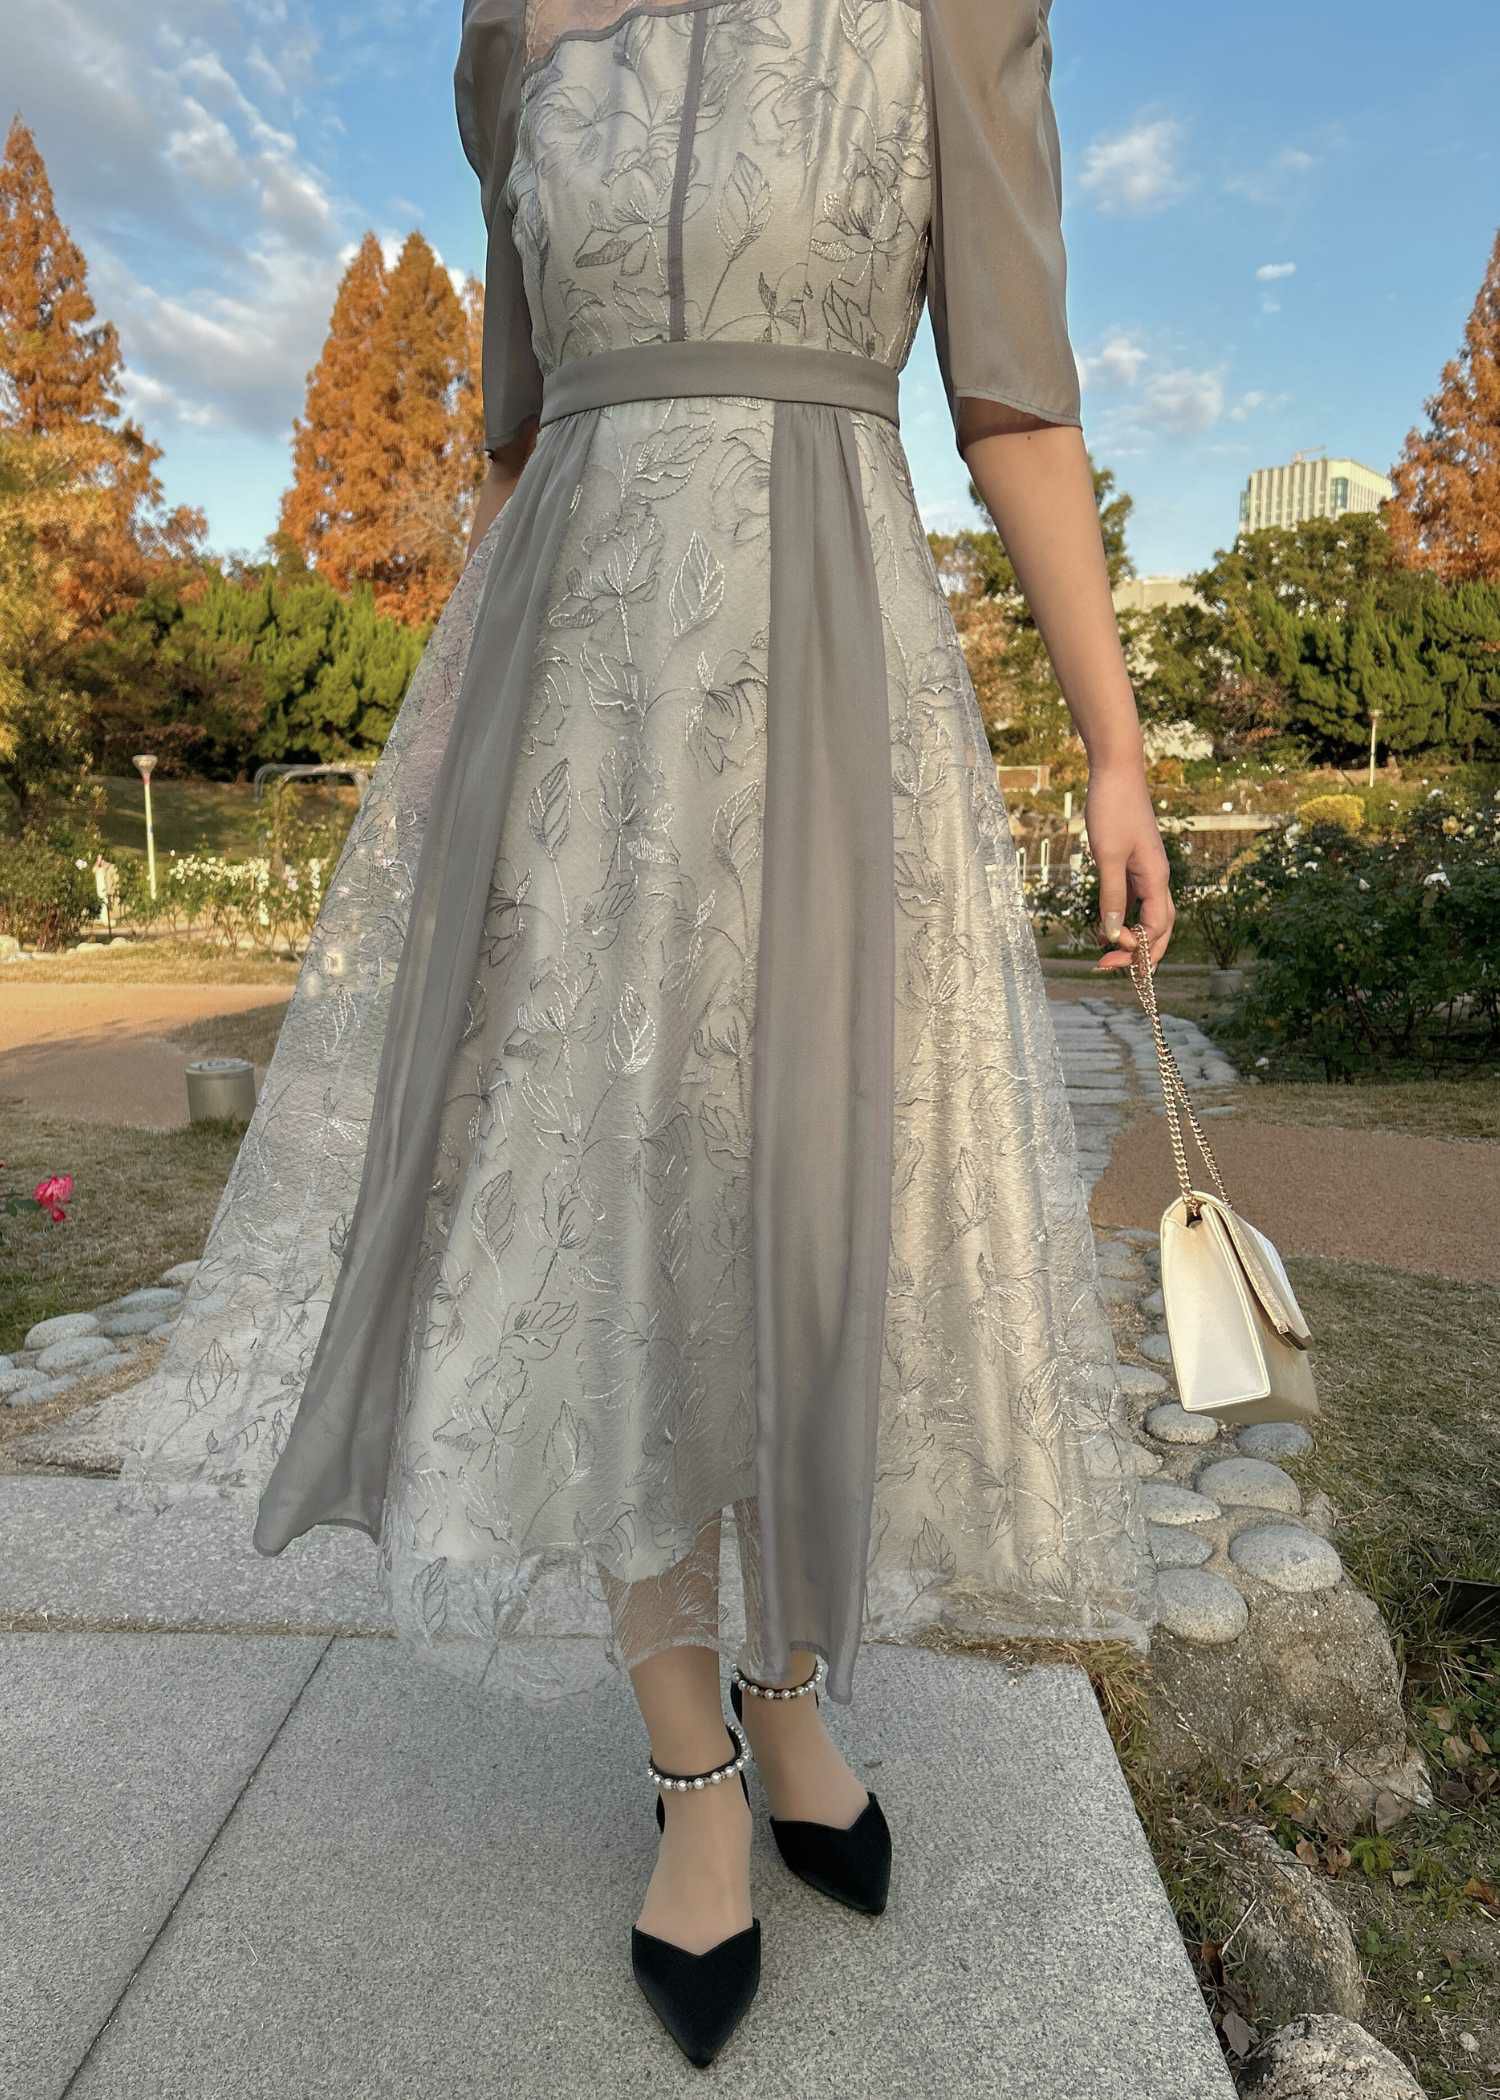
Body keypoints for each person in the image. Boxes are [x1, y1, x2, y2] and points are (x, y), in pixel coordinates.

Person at [118, 0, 1172, 2068]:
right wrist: (456, 759)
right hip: (573, 723)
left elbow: (1016, 399)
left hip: (832, 690)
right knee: (598, 1220)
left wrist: (1117, 746)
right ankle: (694, 1764)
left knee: (803, 1206)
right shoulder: (507, 34)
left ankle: (791, 1687)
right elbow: (519, 443)